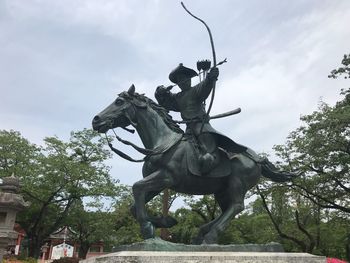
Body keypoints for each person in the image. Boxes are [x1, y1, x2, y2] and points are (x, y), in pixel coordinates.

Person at [155, 63, 246, 174]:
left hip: (201, 126)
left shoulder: (196, 90)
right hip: (188, 129)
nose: (183, 82)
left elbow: (205, 86)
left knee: (204, 139)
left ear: (189, 79)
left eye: (185, 78)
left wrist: (210, 77)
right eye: (179, 80)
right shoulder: (178, 97)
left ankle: (212, 160)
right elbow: (166, 103)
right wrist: (160, 93)